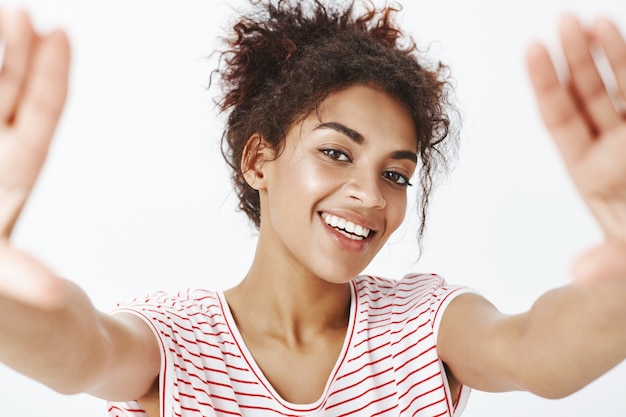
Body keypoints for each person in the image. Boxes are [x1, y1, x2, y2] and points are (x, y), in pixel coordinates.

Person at [1, 0, 626, 416]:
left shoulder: (424, 324)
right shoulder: (175, 340)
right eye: (335, 153)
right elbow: (81, 350)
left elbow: (534, 350)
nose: (370, 194)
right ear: (258, 161)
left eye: (395, 173)